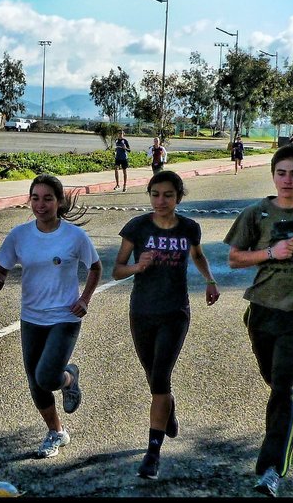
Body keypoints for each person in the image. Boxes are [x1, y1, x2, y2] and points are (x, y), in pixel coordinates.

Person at [223, 144, 293, 497]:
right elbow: (234, 259)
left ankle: (270, 469)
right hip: (260, 311)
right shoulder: (255, 214)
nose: (288, 180)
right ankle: (284, 394)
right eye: (281, 173)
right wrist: (270, 252)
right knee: (273, 380)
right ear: (273, 175)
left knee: (283, 389)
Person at [113, 170, 220, 481]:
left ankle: (152, 453)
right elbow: (117, 270)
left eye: (168, 195)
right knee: (154, 379)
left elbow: (197, 256)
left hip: (175, 312)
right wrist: (137, 266)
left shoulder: (189, 228)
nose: (161, 201)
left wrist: (210, 281)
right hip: (142, 312)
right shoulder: (137, 227)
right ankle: (168, 410)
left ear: (178, 198)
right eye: (155, 194)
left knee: (161, 376)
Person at [0, 174, 102, 459]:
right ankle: (56, 432)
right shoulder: (20, 235)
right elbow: (4, 265)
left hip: (65, 316)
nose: (40, 204)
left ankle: (68, 379)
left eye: (48, 198)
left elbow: (96, 268)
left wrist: (84, 299)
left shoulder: (75, 236)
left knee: (47, 376)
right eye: (35, 198)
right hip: (31, 317)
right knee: (34, 381)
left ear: (59, 202)